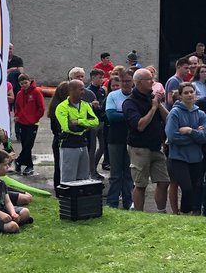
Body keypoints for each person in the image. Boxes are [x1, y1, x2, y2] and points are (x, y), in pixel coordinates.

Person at [124, 68, 169, 212]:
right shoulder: (130, 102)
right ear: (138, 83)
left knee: (164, 181)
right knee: (141, 184)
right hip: (139, 148)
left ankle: (161, 211)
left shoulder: (152, 97)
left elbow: (168, 118)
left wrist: (158, 104)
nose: (152, 82)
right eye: (149, 79)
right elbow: (140, 126)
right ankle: (139, 212)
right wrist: (153, 108)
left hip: (156, 146)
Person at [165, 82, 206, 215]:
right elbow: (173, 136)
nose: (190, 95)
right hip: (178, 157)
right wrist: (196, 137)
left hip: (196, 158)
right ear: (180, 95)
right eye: (186, 92)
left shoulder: (201, 114)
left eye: (192, 92)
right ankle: (183, 212)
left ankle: (188, 213)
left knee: (196, 188)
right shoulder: (175, 113)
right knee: (187, 188)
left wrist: (191, 131)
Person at [54, 79, 99, 184]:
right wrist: (85, 126)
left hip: (83, 144)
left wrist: (79, 121)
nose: (83, 92)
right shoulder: (62, 107)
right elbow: (68, 128)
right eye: (81, 89)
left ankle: (80, 200)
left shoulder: (85, 105)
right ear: (71, 90)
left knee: (83, 178)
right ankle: (68, 199)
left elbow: (95, 121)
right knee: (68, 179)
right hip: (68, 145)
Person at [105, 69, 135, 210]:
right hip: (115, 138)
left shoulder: (136, 96)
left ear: (133, 82)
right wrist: (130, 116)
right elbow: (111, 116)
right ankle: (112, 202)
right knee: (115, 173)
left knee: (129, 174)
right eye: (123, 81)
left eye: (128, 81)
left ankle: (128, 202)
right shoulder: (113, 95)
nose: (125, 84)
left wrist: (122, 114)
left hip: (132, 139)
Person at [13, 74, 45, 175]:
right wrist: (17, 116)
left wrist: (35, 118)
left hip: (33, 123)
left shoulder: (36, 92)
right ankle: (28, 165)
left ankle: (19, 161)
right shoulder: (19, 94)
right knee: (24, 145)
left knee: (28, 145)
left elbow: (41, 108)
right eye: (21, 84)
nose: (24, 85)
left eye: (25, 83)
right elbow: (17, 107)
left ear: (29, 81)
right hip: (22, 122)